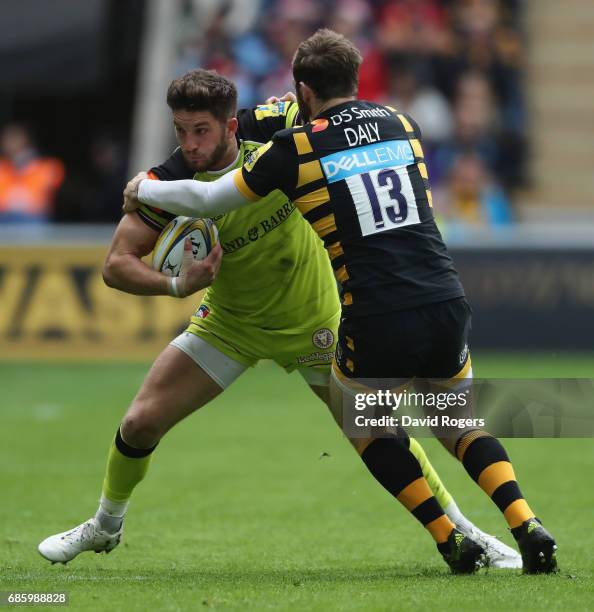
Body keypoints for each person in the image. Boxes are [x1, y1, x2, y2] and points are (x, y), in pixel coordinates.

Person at [37, 69, 520, 570]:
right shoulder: (170, 180)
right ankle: (104, 526)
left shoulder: (279, 131)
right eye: (180, 130)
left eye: (201, 130)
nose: (190, 144)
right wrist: (178, 285)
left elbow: (331, 108)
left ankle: (467, 532)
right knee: (139, 423)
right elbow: (116, 265)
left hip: (318, 321)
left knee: (378, 429)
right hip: (231, 325)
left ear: (230, 126)